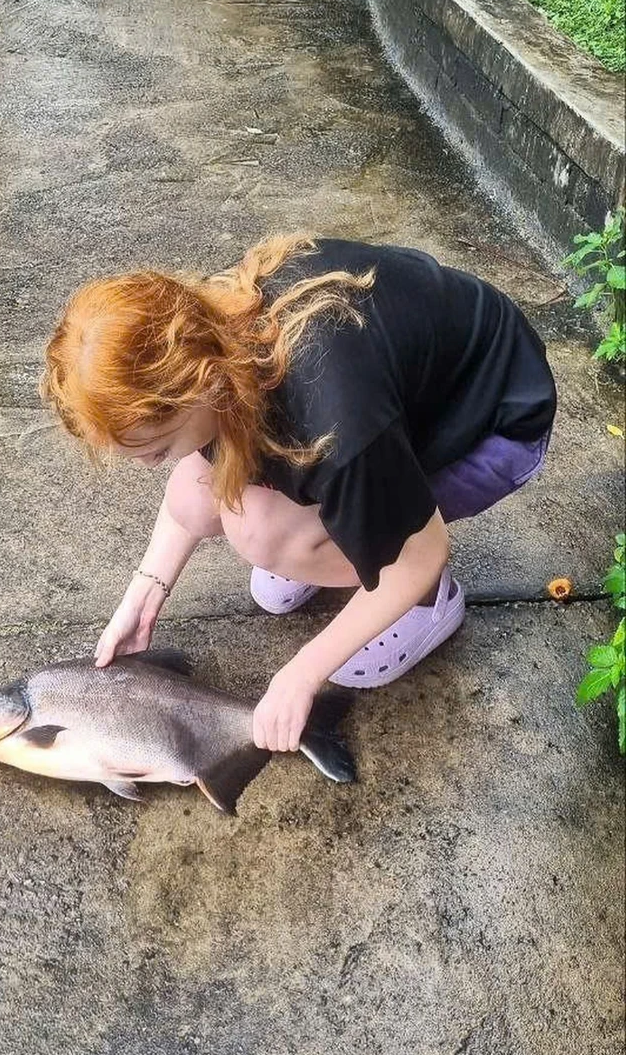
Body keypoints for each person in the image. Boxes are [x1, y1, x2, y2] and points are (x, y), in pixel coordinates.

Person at [42, 234, 556, 756]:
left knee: (264, 534)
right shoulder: (205, 328)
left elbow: (421, 554)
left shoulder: (338, 429)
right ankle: (334, 533)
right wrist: (144, 594)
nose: (149, 464)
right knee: (199, 493)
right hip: (398, 404)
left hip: (494, 421)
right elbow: (187, 497)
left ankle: (428, 606)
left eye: (157, 449)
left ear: (201, 387)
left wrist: (302, 673)